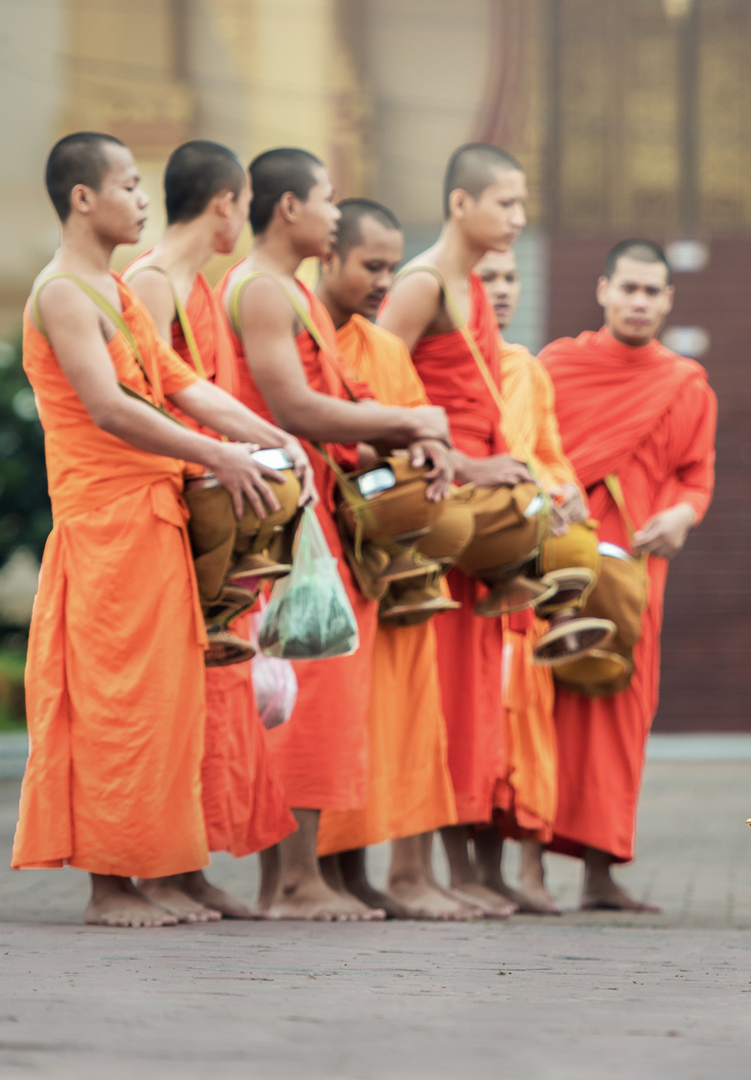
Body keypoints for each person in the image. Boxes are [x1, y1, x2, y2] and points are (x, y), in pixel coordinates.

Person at [12, 132, 308, 927]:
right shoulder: (63, 293)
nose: (144, 200)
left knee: (170, 706)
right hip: (105, 525)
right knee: (115, 703)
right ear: (83, 197)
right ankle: (110, 886)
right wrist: (220, 454)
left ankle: (170, 868)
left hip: (155, 516)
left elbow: (185, 385)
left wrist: (276, 443)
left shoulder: (111, 288)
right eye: (130, 185)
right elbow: (111, 408)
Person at [219, 147, 454, 920]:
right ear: (288, 208)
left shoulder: (291, 293)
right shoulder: (260, 288)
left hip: (313, 513)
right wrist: (408, 419)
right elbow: (293, 407)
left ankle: (295, 878)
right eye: (326, 199)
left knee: (314, 693)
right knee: (302, 692)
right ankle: (291, 883)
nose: (332, 211)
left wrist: (399, 442)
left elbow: (332, 407)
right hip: (284, 523)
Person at [118, 140, 299, 922]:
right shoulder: (151, 283)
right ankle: (153, 871)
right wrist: (220, 458)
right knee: (163, 704)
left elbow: (200, 391)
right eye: (243, 202)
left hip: (209, 507)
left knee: (211, 706)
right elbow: (146, 403)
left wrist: (272, 445)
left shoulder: (201, 286)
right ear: (226, 202)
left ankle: (189, 867)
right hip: (164, 508)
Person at [311, 198, 481, 921]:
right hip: (328, 548)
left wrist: (434, 455)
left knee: (403, 720)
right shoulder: (303, 330)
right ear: (327, 256)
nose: (385, 280)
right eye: (371, 266)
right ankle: (329, 875)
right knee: (333, 714)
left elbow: (417, 418)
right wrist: (394, 441)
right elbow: (303, 418)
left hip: (396, 561)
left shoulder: (380, 346)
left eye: (391, 265)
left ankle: (387, 874)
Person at [378, 143, 536, 917]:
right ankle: (406, 873)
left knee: (461, 702)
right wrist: (468, 470)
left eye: (521, 203)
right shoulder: (419, 283)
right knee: (421, 697)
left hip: (472, 525)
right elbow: (374, 390)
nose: (519, 218)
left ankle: (435, 869)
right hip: (432, 513)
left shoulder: (470, 288)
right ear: (459, 204)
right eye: (506, 202)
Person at [539, 239, 716, 911]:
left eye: (652, 292)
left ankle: (599, 872)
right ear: (603, 290)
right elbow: (527, 448)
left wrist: (682, 517)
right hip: (561, 559)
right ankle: (527, 867)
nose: (639, 302)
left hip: (638, 569)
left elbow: (696, 475)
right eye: (629, 288)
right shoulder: (557, 365)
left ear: (669, 300)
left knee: (621, 710)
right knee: (545, 700)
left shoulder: (685, 382)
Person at [476, 246, 585, 914]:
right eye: (486, 278)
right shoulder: (440, 358)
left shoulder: (526, 369)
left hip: (529, 568)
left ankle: (531, 871)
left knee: (532, 725)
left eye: (511, 277)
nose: (502, 289)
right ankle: (479, 870)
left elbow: (548, 452)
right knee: (481, 723)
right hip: (477, 564)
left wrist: (564, 489)